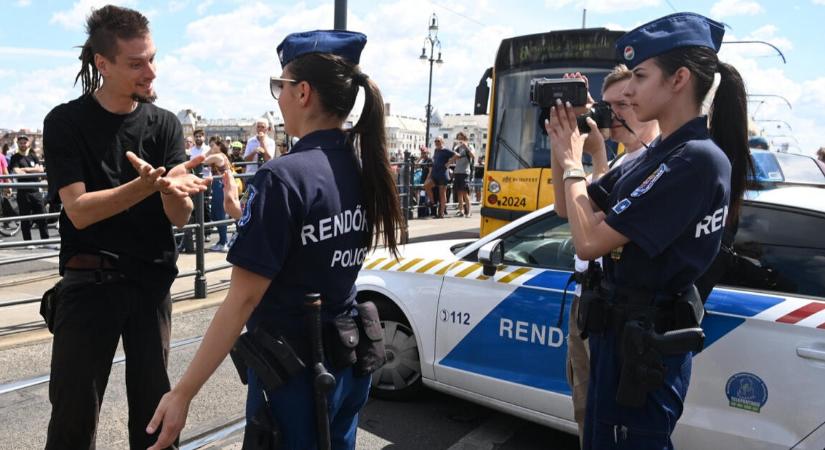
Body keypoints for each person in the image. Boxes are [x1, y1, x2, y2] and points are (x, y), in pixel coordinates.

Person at [145, 30, 403, 450]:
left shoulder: (283, 176)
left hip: (297, 376)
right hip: (348, 360)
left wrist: (182, 393)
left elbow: (243, 299)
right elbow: (310, 245)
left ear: (302, 92)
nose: (277, 98)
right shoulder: (364, 165)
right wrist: (238, 210)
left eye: (279, 86)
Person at [547, 12, 751, 449]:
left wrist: (570, 163)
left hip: (641, 348)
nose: (631, 90)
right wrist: (561, 142)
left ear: (678, 79)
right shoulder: (659, 153)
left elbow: (589, 240)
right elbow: (569, 207)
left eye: (640, 75)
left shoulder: (696, 159)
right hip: (618, 338)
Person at [41, 5, 208, 449]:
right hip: (88, 283)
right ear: (103, 64)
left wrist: (175, 194)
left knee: (156, 420)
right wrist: (146, 186)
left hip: (151, 286)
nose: (150, 71)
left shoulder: (164, 124)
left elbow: (179, 218)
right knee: (72, 419)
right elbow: (78, 209)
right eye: (136, 63)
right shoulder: (65, 121)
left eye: (152, 58)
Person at [9, 134, 50, 242]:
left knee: (42, 216)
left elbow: (41, 170)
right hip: (23, 192)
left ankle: (45, 240)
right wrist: (33, 169)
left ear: (28, 143)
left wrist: (25, 169)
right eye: (20, 142)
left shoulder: (33, 156)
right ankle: (28, 242)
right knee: (25, 219)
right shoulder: (15, 157)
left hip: (36, 191)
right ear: (18, 144)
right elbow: (17, 172)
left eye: (24, 142)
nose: (23, 144)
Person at [203, 140, 231, 252]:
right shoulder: (220, 155)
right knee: (215, 213)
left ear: (219, 146)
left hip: (220, 186)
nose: (211, 147)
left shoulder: (218, 156)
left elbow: (202, 160)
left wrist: (210, 151)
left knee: (219, 214)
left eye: (213, 145)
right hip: (218, 185)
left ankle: (224, 242)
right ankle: (222, 240)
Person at [423, 136, 451, 218]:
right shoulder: (436, 150)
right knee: (426, 185)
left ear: (442, 141)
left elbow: (457, 155)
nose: (436, 142)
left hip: (443, 174)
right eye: (435, 141)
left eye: (438, 141)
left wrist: (449, 163)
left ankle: (441, 213)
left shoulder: (446, 150)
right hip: (435, 174)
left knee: (442, 194)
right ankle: (432, 201)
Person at [449, 132, 475, 217]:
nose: (460, 140)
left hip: (465, 172)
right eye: (459, 138)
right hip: (457, 172)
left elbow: (473, 156)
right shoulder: (457, 148)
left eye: (461, 138)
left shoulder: (470, 146)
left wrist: (466, 147)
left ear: (465, 139)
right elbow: (453, 157)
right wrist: (447, 164)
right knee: (459, 193)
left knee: (465, 193)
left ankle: (469, 211)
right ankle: (461, 211)